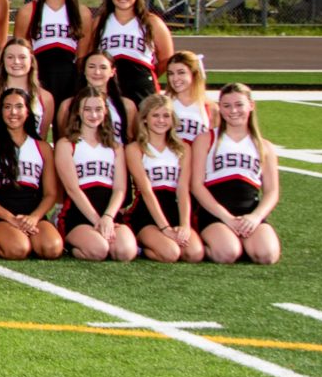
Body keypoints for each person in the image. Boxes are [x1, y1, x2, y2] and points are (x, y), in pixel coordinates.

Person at [195, 83, 281, 265]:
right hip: (215, 214)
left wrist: (255, 217)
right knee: (227, 254)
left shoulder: (264, 146)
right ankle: (212, 242)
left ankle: (242, 240)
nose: (233, 110)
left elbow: (272, 191)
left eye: (239, 104)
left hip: (249, 213)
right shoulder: (206, 139)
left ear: (251, 105)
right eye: (226, 106)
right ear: (220, 108)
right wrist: (227, 218)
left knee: (267, 256)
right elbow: (196, 185)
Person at [0, 86, 64, 260]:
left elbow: (50, 194)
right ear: (0, 112)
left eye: (19, 107)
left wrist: (34, 217)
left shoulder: (43, 148)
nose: (13, 112)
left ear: (28, 112)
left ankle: (27, 235)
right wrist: (10, 218)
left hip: (31, 213)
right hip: (1, 213)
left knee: (52, 248)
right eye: (7, 107)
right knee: (18, 249)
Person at [57, 87, 137, 262]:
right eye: (87, 109)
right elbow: (73, 189)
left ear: (105, 111)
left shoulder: (115, 147)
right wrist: (97, 220)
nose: (93, 115)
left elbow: (120, 189)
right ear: (78, 111)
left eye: (98, 109)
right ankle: (71, 246)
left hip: (109, 212)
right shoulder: (66, 144)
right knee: (99, 250)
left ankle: (102, 234)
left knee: (125, 252)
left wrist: (108, 217)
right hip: (79, 214)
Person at [125, 92, 205, 263]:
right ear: (145, 118)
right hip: (147, 212)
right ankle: (141, 246)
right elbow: (146, 191)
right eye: (155, 115)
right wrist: (165, 228)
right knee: (170, 254)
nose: (161, 120)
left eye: (166, 115)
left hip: (174, 209)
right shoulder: (135, 149)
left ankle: (164, 239)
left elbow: (183, 189)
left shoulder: (183, 148)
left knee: (194, 254)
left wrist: (185, 224)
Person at [81, 0, 177, 105]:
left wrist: (146, 76)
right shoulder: (99, 22)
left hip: (141, 88)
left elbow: (166, 59)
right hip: (109, 87)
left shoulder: (152, 22)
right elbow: (90, 55)